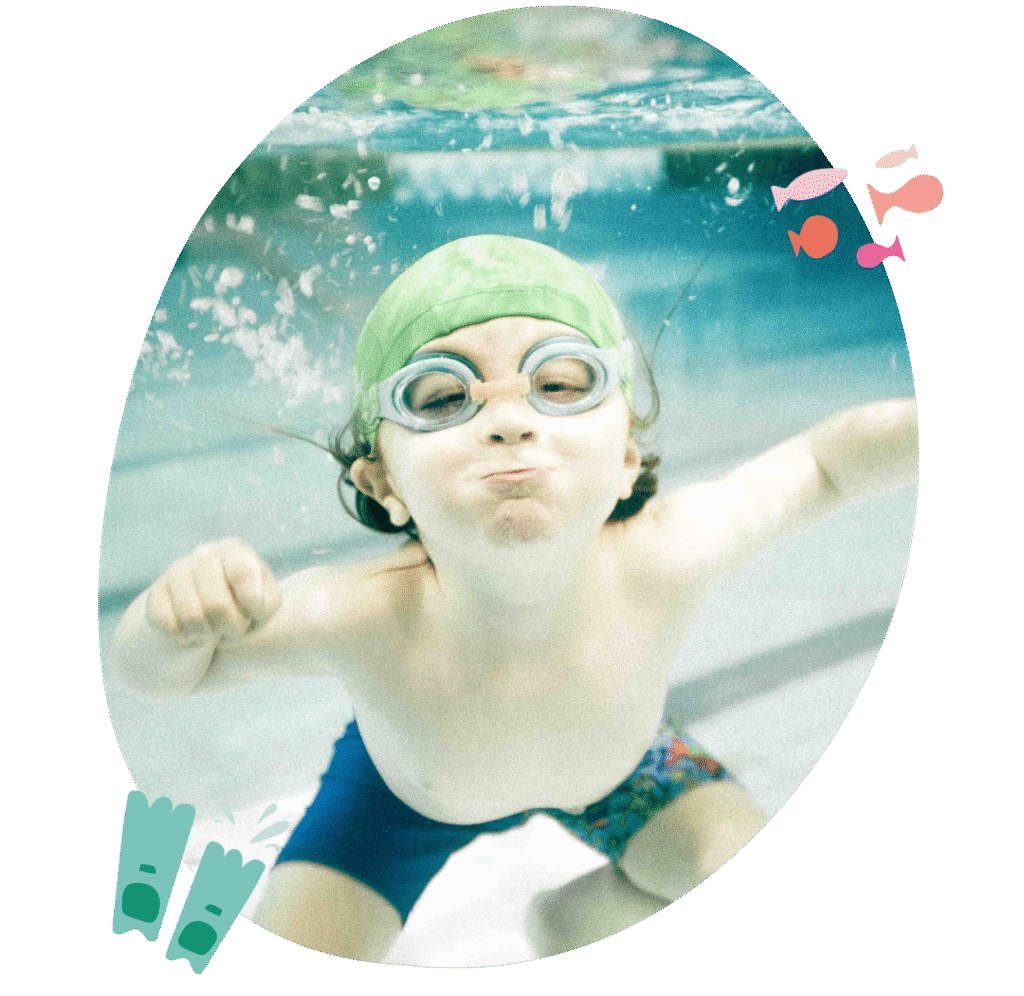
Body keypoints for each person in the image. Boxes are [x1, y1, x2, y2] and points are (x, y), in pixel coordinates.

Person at [107, 235, 918, 962]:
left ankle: (566, 927)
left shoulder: (665, 553)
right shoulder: (362, 613)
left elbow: (824, 465)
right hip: (395, 801)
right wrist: (169, 619)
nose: (508, 421)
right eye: (441, 396)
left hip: (622, 768)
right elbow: (159, 676)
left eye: (560, 383)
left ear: (627, 454)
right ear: (383, 483)